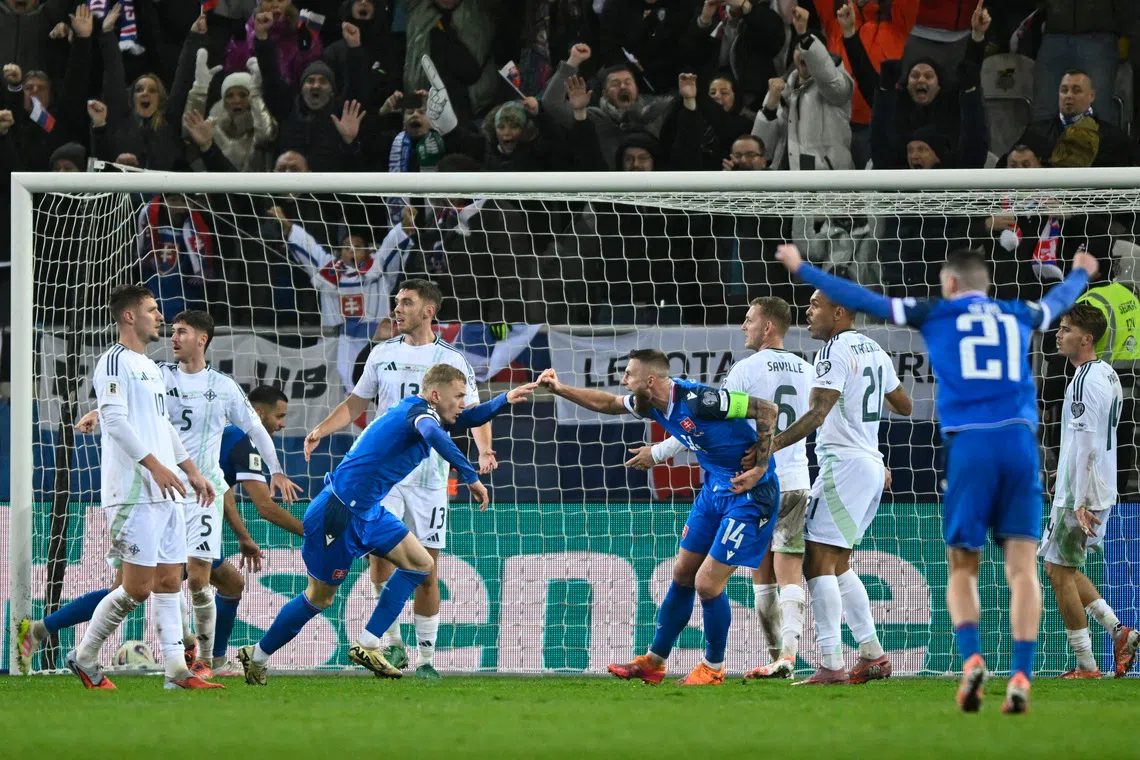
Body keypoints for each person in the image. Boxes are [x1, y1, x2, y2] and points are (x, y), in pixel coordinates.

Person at [774, 243, 1098, 713]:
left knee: (961, 566)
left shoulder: (938, 314)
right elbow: (1057, 302)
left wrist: (803, 267)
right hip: (1019, 443)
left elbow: (865, 299)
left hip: (967, 445)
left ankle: (970, 664)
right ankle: (1022, 674)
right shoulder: (1017, 313)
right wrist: (1080, 272)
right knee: (1022, 568)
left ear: (949, 284)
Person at [29, 311, 301, 676]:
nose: (172, 337)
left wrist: (278, 469)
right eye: (171, 330)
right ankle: (47, 632)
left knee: (199, 578)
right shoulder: (157, 373)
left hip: (202, 492)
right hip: (160, 489)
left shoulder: (222, 386)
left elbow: (255, 427)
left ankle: (205, 661)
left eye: (181, 331)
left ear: (202, 338)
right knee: (130, 587)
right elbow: (134, 403)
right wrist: (98, 410)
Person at [237, 365, 538, 685]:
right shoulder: (422, 417)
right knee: (319, 599)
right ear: (436, 395)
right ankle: (256, 655)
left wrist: (506, 397)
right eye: (459, 396)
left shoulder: (426, 411)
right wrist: (470, 475)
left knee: (421, 564)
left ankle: (367, 643)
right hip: (337, 514)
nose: (464, 402)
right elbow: (435, 435)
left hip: (369, 511)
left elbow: (470, 418)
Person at [538, 349, 780, 686]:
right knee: (682, 573)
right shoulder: (650, 403)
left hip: (750, 495)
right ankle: (654, 661)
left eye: (629, 375)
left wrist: (761, 466)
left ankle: (713, 667)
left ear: (650, 381)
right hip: (714, 492)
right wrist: (560, 388)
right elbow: (608, 404)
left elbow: (767, 409)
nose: (623, 381)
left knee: (707, 584)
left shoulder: (702, 399)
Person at [302, 279, 496, 678]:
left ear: (429, 311)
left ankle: (426, 659)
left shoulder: (452, 360)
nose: (397, 308)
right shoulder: (381, 354)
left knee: (427, 570)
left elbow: (472, 410)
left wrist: (485, 449)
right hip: (381, 479)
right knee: (379, 561)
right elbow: (356, 402)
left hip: (429, 479)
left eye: (406, 302)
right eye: (396, 302)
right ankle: (390, 644)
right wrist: (323, 428)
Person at [630, 298, 814, 679]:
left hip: (753, 483)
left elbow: (701, 423)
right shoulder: (808, 369)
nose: (743, 326)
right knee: (791, 571)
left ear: (767, 327)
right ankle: (788, 657)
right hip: (797, 478)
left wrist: (659, 452)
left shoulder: (744, 370)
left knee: (752, 576)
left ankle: (757, 657)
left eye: (749, 320)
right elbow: (821, 420)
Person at [62, 285, 218, 690]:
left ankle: (176, 672)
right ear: (129, 316)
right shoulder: (113, 362)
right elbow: (114, 422)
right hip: (132, 491)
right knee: (136, 589)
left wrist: (190, 470)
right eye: (152, 310)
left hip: (164, 487)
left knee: (169, 582)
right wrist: (155, 466)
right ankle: (83, 656)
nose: (160, 317)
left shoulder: (149, 366)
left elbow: (163, 425)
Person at [766, 285, 911, 685]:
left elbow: (816, 413)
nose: (807, 311)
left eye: (815, 305)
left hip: (843, 466)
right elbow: (904, 405)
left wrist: (772, 446)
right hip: (870, 465)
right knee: (840, 563)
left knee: (815, 561)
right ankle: (872, 653)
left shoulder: (832, 350)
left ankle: (831, 662)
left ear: (839, 312)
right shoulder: (875, 350)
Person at [1039, 305, 1138, 678]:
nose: (1058, 335)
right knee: (1061, 566)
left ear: (1086, 338)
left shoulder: (1083, 380)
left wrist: (1078, 500)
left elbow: (1088, 445)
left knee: (1056, 572)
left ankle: (1086, 665)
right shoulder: (1109, 375)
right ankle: (1118, 632)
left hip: (1080, 493)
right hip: (1098, 486)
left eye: (1065, 330)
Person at [263, 204, 414, 394]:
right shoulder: (327, 271)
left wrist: (406, 225)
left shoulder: (380, 270)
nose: (351, 251)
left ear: (368, 251)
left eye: (357, 247)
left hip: (373, 347)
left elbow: (391, 246)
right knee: (334, 399)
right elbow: (307, 246)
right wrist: (285, 223)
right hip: (334, 350)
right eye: (346, 246)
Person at [211, 384, 306, 674]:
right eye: (280, 416)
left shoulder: (223, 432)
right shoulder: (241, 439)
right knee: (131, 590)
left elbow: (222, 489)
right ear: (259, 413)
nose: (282, 424)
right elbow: (265, 507)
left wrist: (242, 535)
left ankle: (206, 659)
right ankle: (200, 659)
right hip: (184, 526)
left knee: (228, 584)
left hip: (187, 524)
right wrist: (312, 533)